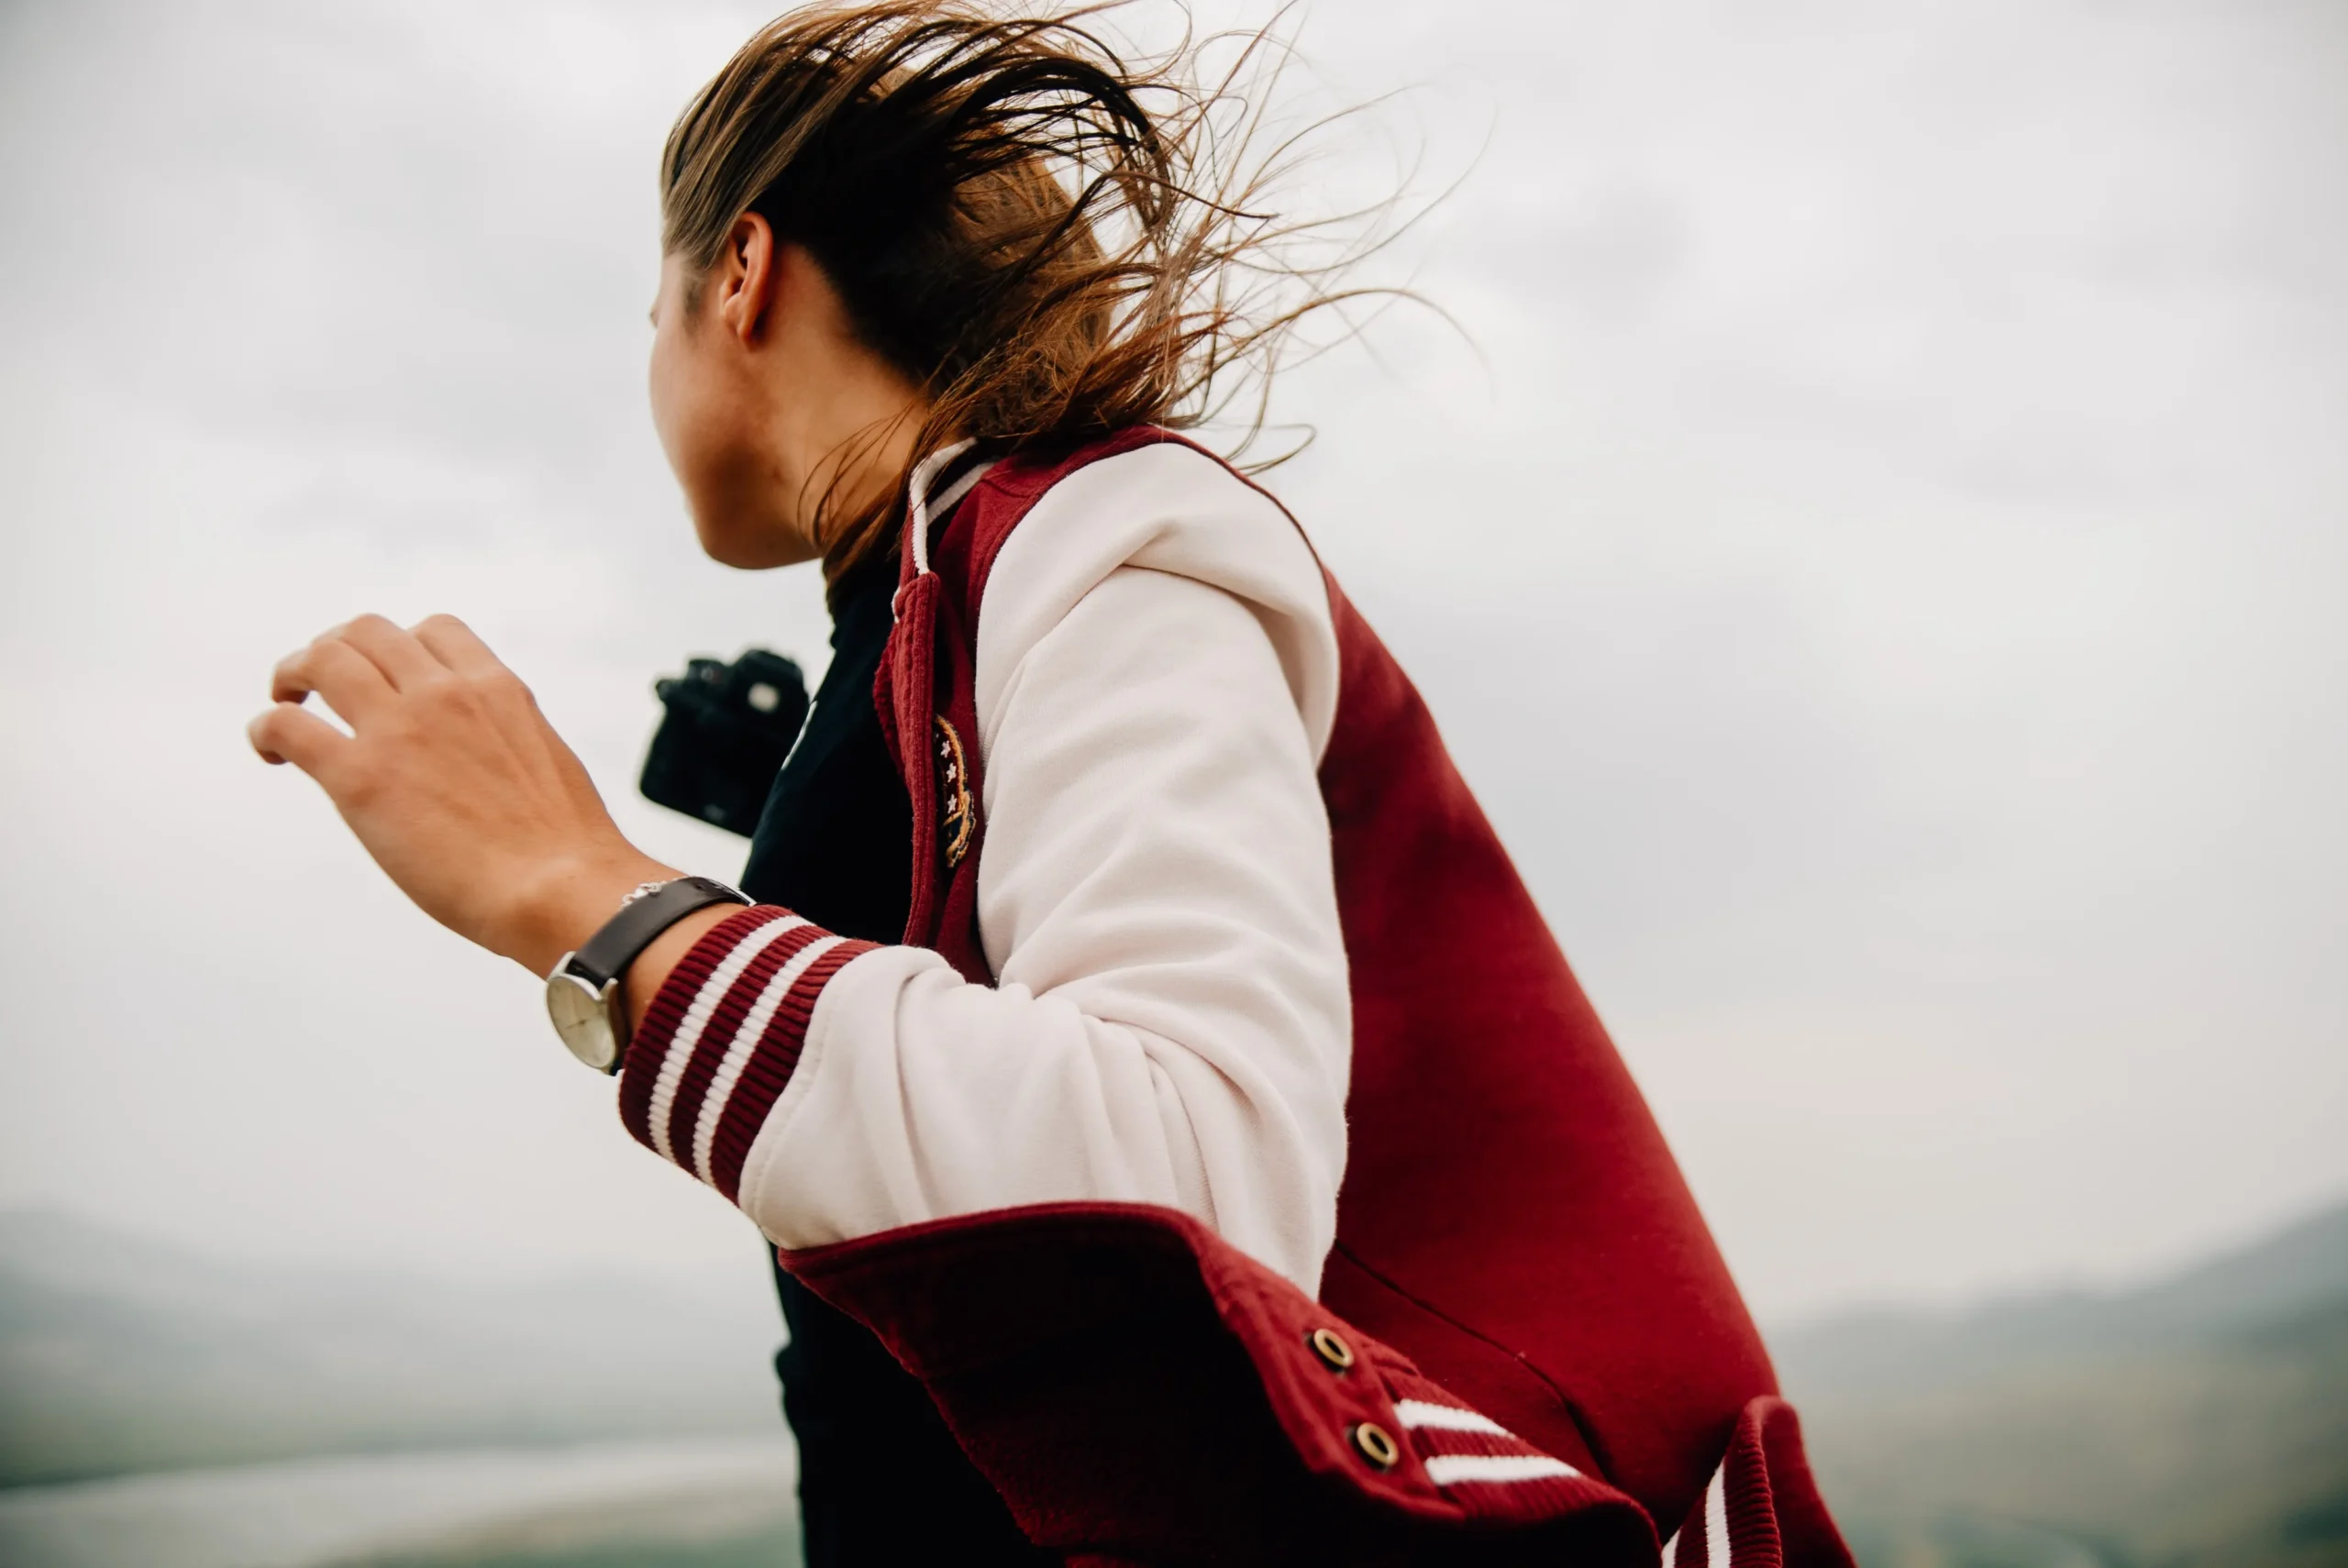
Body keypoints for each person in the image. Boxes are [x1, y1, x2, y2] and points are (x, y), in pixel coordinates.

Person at [249, 6, 1852, 1563]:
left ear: (737, 273)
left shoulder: (1108, 541)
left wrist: (587, 896)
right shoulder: (943, 597)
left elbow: (1190, 1190)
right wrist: (791, 833)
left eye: (642, 306)